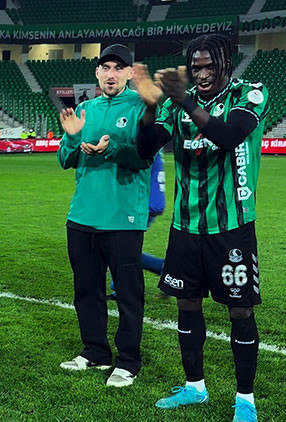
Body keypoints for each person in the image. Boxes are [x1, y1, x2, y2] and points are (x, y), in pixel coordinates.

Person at [134, 34, 268, 422]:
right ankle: (195, 387)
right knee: (187, 303)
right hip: (186, 227)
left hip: (232, 227)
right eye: (196, 67)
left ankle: (245, 399)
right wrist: (150, 108)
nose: (203, 73)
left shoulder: (249, 93)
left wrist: (184, 101)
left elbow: (229, 136)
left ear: (227, 63)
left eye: (210, 66)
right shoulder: (179, 103)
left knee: (240, 310)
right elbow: (145, 149)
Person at [57, 44, 152, 387]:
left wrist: (109, 149)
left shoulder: (141, 107)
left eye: (118, 68)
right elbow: (64, 160)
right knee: (86, 290)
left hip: (123, 217)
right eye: (106, 68)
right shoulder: (85, 109)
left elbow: (143, 157)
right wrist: (72, 139)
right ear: (97, 73)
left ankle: (128, 361)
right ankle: (95, 351)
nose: (111, 74)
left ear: (129, 73)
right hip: (82, 215)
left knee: (128, 294)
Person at [108, 150, 166, 300]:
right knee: (120, 246)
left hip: (144, 203)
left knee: (121, 248)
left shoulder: (144, 149)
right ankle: (119, 288)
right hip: (149, 201)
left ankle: (166, 269)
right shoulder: (153, 148)